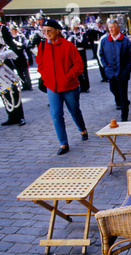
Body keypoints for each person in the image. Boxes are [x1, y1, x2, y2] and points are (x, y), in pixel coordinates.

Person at [36, 19, 88, 155]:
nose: (47, 33)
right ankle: (63, 143)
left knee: (74, 110)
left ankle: (82, 128)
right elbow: (39, 63)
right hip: (52, 87)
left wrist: (67, 76)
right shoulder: (42, 46)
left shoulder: (68, 45)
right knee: (56, 115)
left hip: (69, 86)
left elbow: (79, 65)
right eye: (44, 31)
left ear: (57, 31)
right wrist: (45, 76)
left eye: (49, 30)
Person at [99, 19, 131, 121]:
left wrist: (127, 70)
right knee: (113, 89)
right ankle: (121, 102)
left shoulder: (125, 41)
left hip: (122, 73)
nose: (110, 29)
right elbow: (101, 55)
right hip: (111, 72)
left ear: (118, 28)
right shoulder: (105, 41)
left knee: (123, 95)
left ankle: (124, 117)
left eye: (113, 27)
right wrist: (106, 67)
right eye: (109, 27)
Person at [0, 22, 26, 126]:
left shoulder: (3, 29)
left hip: (4, 63)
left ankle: (20, 117)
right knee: (3, 91)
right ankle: (11, 116)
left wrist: (4, 55)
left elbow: (10, 44)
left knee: (14, 90)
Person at [66, 18, 90, 93]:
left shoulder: (82, 32)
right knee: (76, 69)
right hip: (73, 53)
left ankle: (86, 87)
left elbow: (86, 43)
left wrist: (79, 40)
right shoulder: (70, 33)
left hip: (81, 51)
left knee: (84, 69)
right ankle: (79, 85)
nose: (75, 26)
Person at [10, 24, 32, 91]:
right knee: (19, 72)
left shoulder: (21, 37)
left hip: (23, 57)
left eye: (13, 30)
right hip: (15, 58)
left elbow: (24, 45)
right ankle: (24, 85)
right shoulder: (10, 38)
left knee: (26, 72)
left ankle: (29, 85)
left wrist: (16, 43)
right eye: (11, 30)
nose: (12, 31)